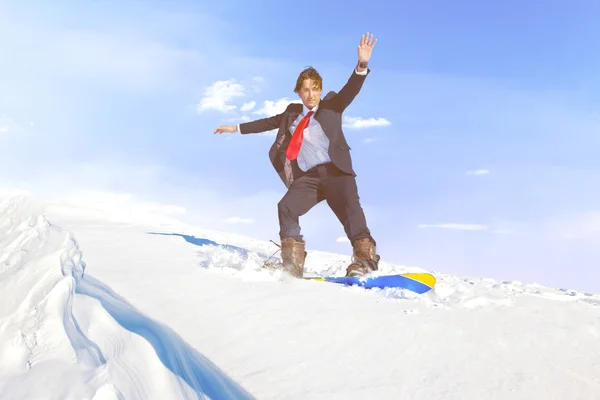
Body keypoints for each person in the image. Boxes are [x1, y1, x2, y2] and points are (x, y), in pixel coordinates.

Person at [214, 32, 379, 278]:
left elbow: (351, 89)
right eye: (305, 90)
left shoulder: (333, 106)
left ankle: (364, 262)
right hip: (310, 177)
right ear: (298, 92)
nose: (310, 94)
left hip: (336, 172)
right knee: (286, 207)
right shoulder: (292, 113)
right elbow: (267, 122)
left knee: (351, 214)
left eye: (314, 89)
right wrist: (235, 128)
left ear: (321, 90)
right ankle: (292, 264)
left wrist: (362, 65)